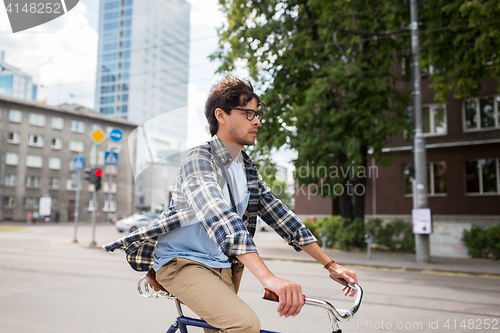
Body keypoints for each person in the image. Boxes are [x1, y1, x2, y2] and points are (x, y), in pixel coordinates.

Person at [103, 76, 358, 333]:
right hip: (183, 263)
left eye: (257, 114)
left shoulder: (247, 168)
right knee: (244, 324)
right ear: (221, 115)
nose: (256, 120)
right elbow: (218, 214)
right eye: (248, 113)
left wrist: (330, 265)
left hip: (224, 267)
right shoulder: (199, 159)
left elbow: (281, 217)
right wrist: (268, 277)